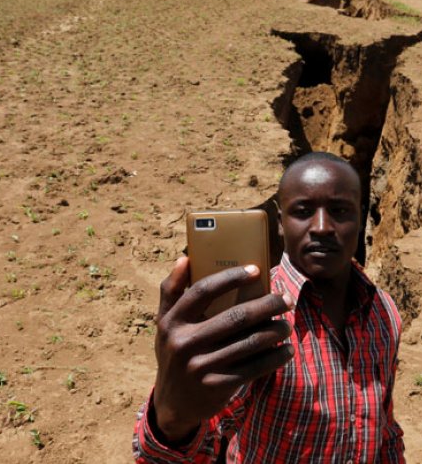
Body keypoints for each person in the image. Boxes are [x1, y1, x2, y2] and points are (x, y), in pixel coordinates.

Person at [133, 152, 405, 463]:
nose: (321, 227)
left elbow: (385, 427)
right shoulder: (255, 316)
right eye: (303, 211)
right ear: (279, 223)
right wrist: (171, 421)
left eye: (340, 211)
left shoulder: (384, 312)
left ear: (360, 218)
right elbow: (203, 439)